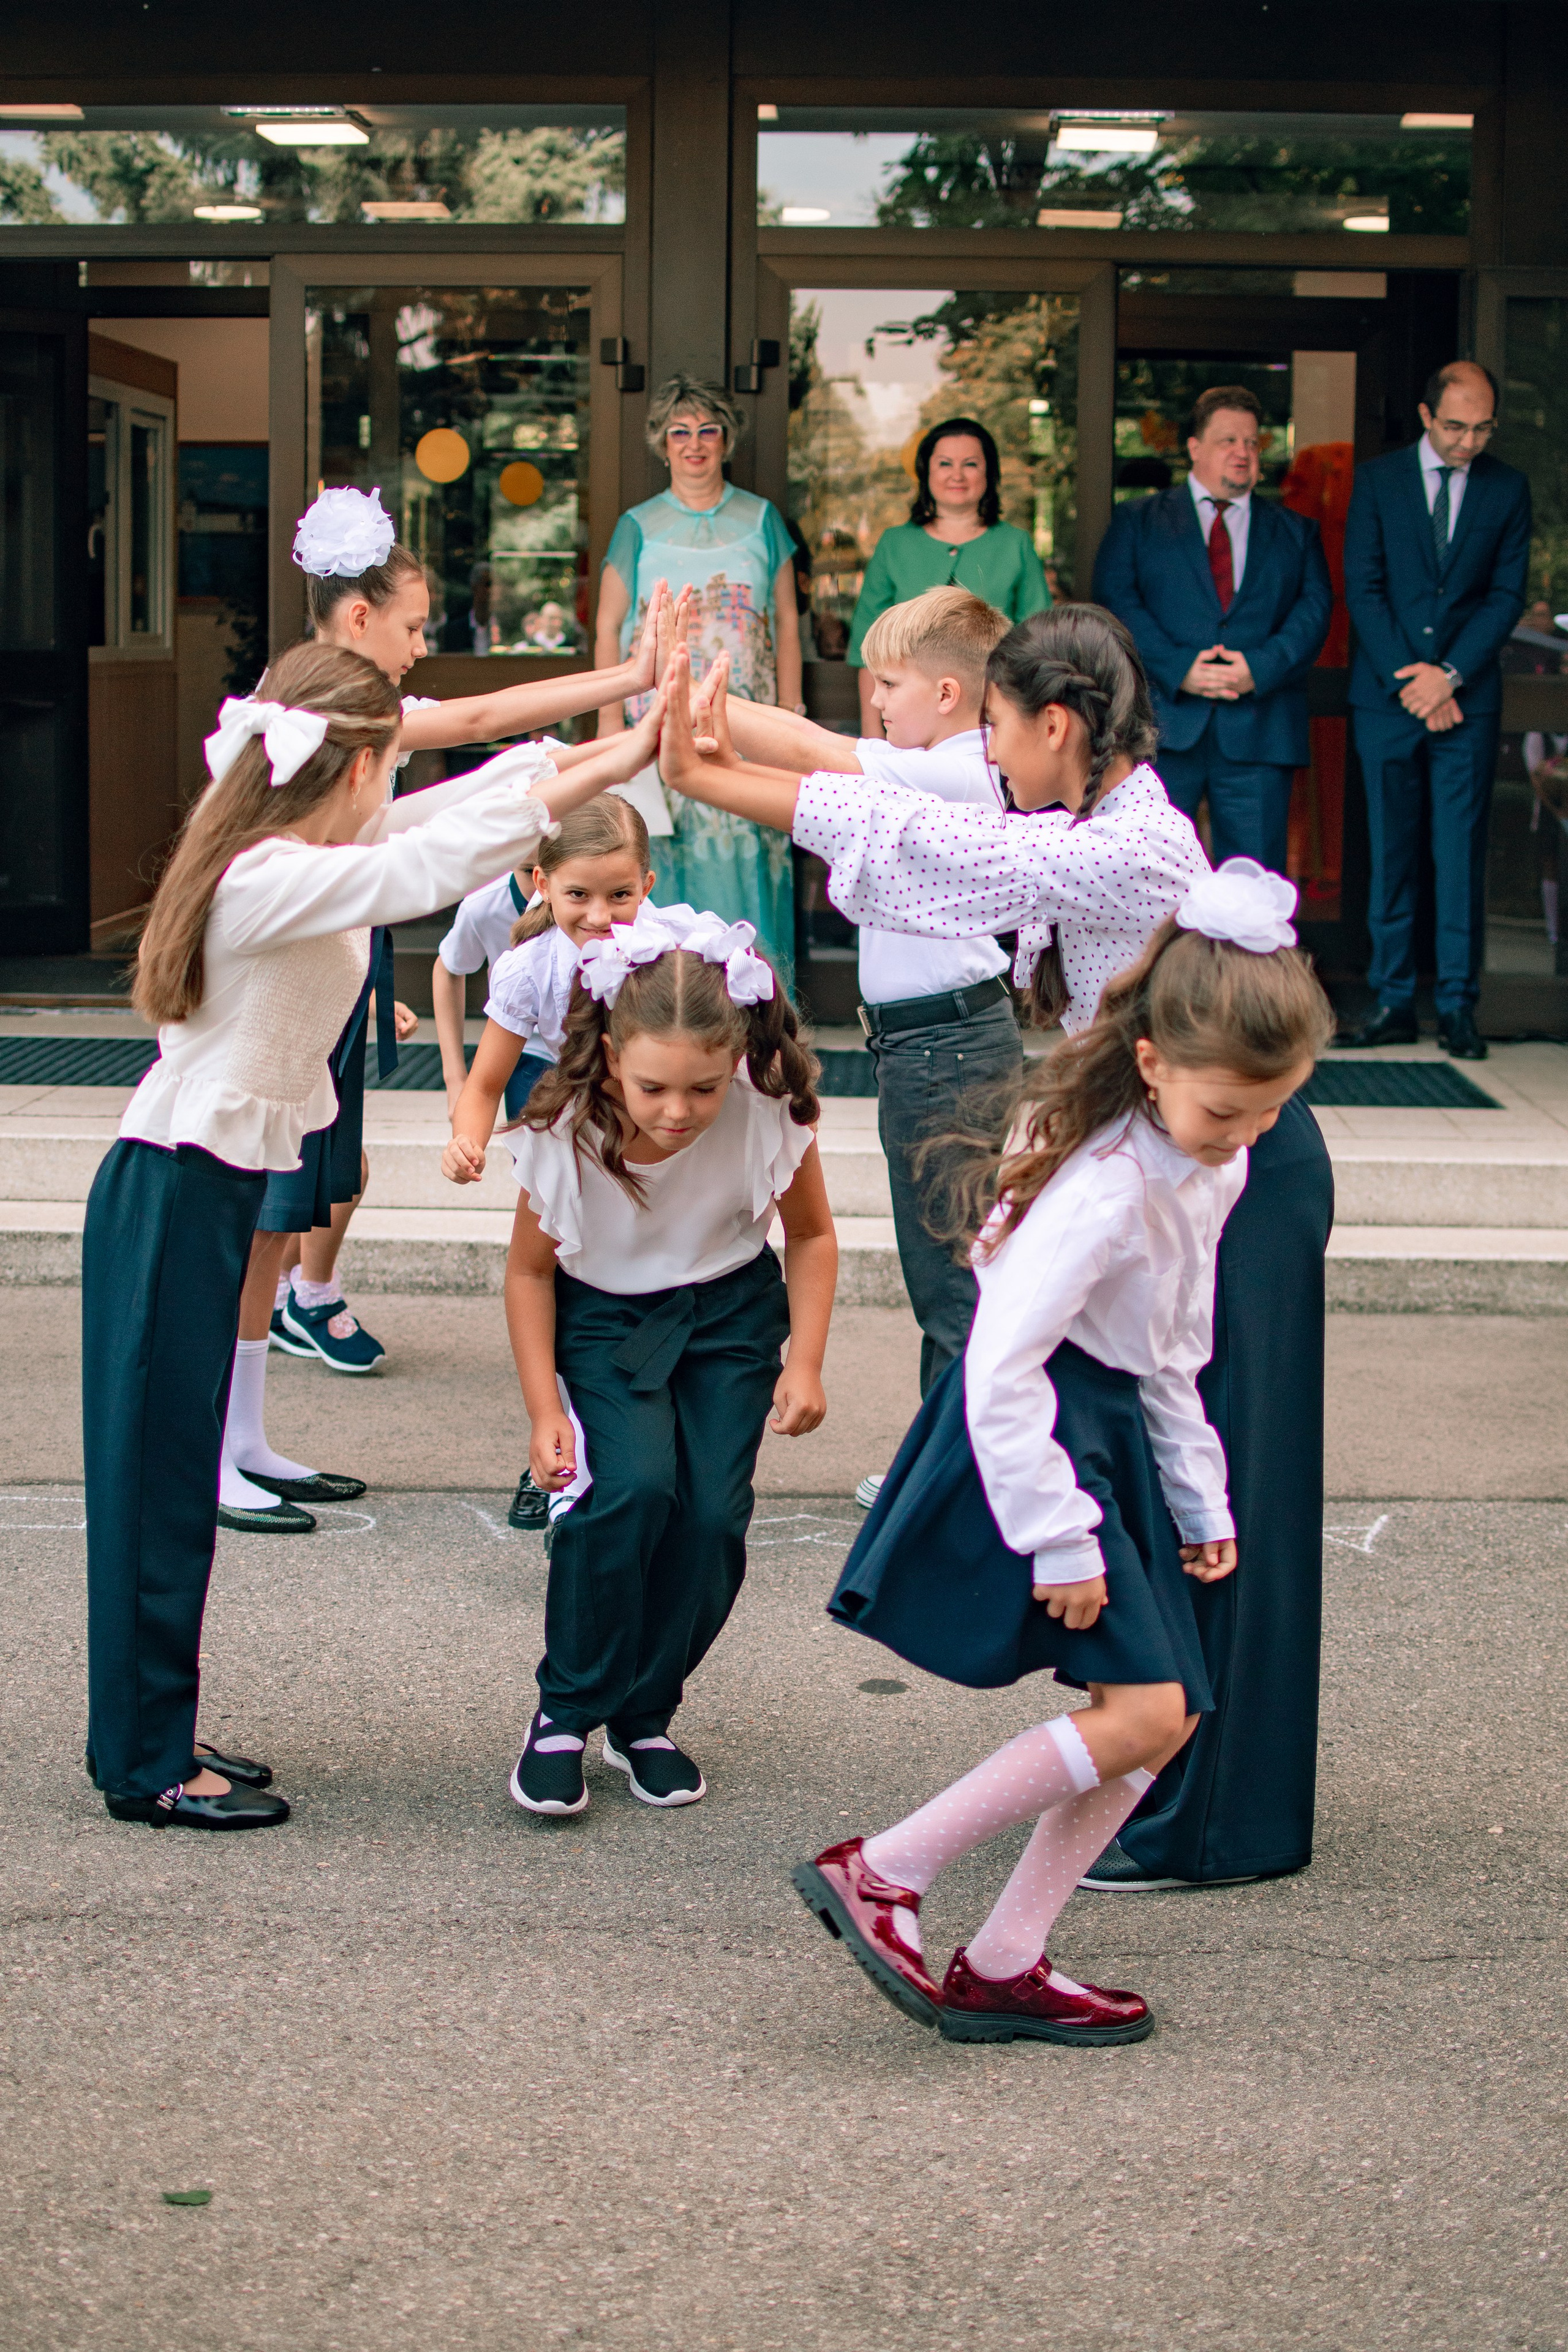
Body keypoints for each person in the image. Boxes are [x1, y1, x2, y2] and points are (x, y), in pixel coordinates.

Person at [664, 602, 1338, 1892]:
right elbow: (870, 776)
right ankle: (1178, 1785)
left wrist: (705, 776)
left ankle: (1216, 1820)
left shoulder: (1124, 847)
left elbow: (931, 842)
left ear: (1059, 725)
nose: (987, 754)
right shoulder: (1089, 811)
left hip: (1237, 1167)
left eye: (996, 727)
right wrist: (702, 730)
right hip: (1199, 1151)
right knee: (1183, 1484)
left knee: (1226, 1490)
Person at [82, 639, 666, 1831]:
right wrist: (629, 748)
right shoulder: (270, 875)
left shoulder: (306, 849)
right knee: (154, 1486)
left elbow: (474, 788)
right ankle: (145, 1765)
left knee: (170, 1480)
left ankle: (148, 1732)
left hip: (201, 1187)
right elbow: (440, 856)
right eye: (390, 755)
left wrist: (623, 729)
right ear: (351, 766)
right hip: (171, 1187)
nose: (404, 772)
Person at [796, 873, 1334, 2041]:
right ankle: (883, 1870)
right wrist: (1060, 1535)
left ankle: (1005, 1961)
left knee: (1170, 1712)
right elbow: (998, 1365)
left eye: (1270, 1113)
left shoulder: (1212, 1161)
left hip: (1108, 1427)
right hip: (1039, 1433)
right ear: (1151, 1062)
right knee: (1144, 1713)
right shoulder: (1105, 1183)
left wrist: (1201, 1498)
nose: (1244, 1137)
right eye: (1226, 1112)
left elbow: (1175, 1346)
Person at [225, 491, 668, 1532]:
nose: (424, 647)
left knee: (279, 1230)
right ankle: (219, 1449)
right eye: (416, 626)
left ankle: (242, 1440)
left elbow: (492, 743)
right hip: (267, 1020)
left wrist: (626, 706)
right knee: (255, 1232)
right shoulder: (319, 722)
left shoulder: (352, 718)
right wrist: (628, 693)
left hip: (311, 1001)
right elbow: (474, 740)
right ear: (359, 616)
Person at [445, 900, 836, 1817]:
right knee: (629, 1493)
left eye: (703, 1088)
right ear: (614, 1054)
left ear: (734, 1061)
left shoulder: (766, 1106)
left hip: (729, 1320)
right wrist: (545, 1411)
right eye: (654, 1087)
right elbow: (528, 1274)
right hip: (604, 1320)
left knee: (710, 1521)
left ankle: (644, 1715)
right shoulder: (565, 1126)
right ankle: (564, 1712)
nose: (678, 1112)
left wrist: (806, 1362)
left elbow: (813, 1236)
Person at [688, 585, 1018, 1415]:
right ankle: (949, 1462)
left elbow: (816, 749)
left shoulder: (958, 769)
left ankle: (955, 1472)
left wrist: (690, 693)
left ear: (948, 693)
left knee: (952, 1283)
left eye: (890, 684)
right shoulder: (941, 768)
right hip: (932, 1045)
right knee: (948, 1274)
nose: (875, 700)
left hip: (945, 1049)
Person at [443, 795, 657, 1531]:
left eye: (619, 895)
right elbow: (485, 1084)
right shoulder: (529, 968)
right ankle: (566, 1454)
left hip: (660, 1138)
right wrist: (467, 1139)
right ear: (541, 884)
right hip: (568, 1133)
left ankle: (638, 1445)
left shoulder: (675, 948)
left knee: (644, 1288)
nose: (600, 915)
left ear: (647, 885)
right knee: (565, 1290)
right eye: (578, 895)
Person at [1341, 361, 1532, 1061]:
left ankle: (1456, 1006)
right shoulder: (1378, 480)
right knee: (1390, 853)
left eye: (1482, 428)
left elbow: (1506, 596)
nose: (1467, 441)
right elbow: (1363, 586)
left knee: (1458, 858)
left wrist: (1448, 677)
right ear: (1426, 417)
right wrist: (1412, 681)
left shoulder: (1507, 488)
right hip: (1388, 699)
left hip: (1465, 701)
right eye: (1454, 426)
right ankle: (1392, 1000)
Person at [594, 375, 800, 974]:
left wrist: (792, 717)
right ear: (661, 443)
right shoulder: (636, 526)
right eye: (679, 432)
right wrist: (610, 725)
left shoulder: (763, 520)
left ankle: (757, 999)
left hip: (747, 722)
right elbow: (608, 626)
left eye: (708, 431)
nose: (694, 444)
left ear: (726, 440)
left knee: (748, 847)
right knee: (666, 854)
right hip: (659, 720)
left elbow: (788, 621)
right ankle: (671, 997)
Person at [1092, 385, 1332, 876]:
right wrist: (1180, 667)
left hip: (1260, 731)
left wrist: (1258, 669)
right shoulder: (1138, 521)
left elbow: (1314, 612)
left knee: (1254, 888)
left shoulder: (1296, 531)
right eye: (1228, 441)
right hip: (1161, 728)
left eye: (1252, 442)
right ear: (1195, 447)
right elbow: (1116, 604)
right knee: (1152, 878)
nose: (1243, 453)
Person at [847, 417, 1050, 739]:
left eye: (970, 464)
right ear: (926, 472)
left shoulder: (1016, 544)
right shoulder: (894, 544)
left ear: (989, 474)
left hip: (995, 724)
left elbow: (1039, 646)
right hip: (908, 727)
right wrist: (875, 739)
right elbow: (866, 651)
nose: (957, 475)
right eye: (945, 464)